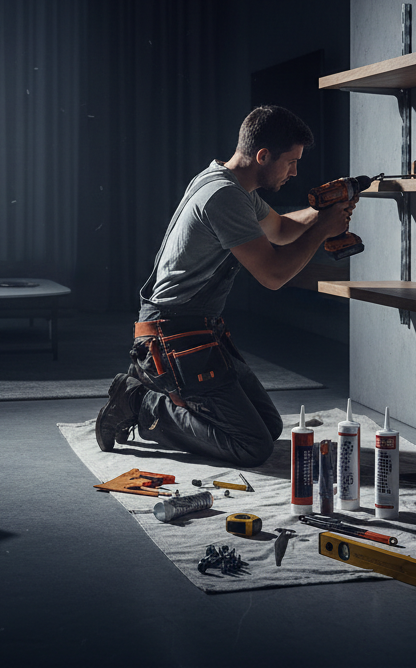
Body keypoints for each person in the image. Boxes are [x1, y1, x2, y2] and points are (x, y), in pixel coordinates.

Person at [94, 105, 357, 467]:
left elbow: (280, 230)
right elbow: (273, 275)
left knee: (268, 426)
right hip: (171, 334)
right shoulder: (224, 196)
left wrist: (323, 212)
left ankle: (158, 390)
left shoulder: (230, 183)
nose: (295, 172)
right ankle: (137, 400)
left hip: (198, 328)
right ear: (262, 156)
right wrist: (324, 230)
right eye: (291, 162)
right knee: (251, 446)